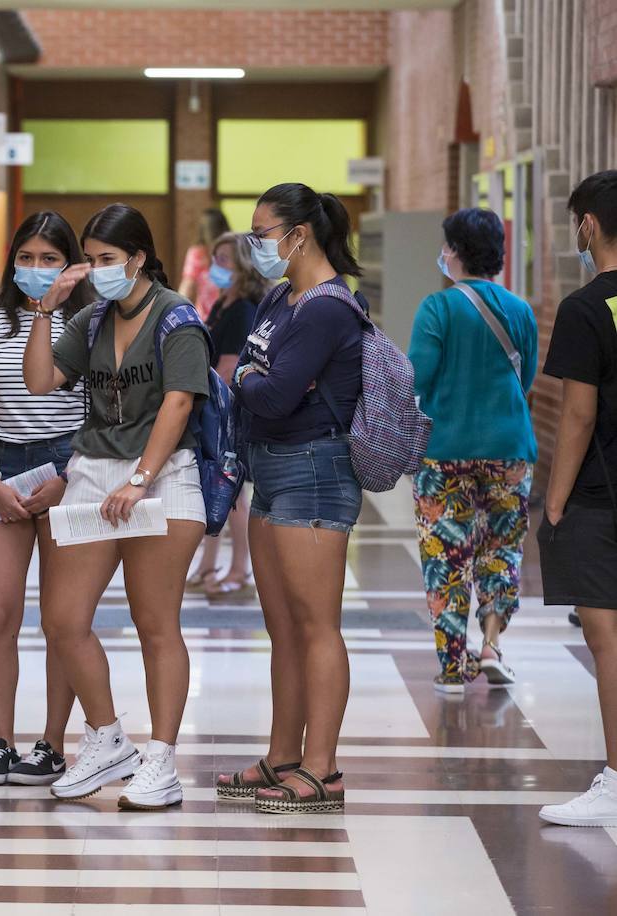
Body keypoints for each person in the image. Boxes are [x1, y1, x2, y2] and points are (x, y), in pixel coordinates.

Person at [23, 203, 210, 808]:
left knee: (156, 624)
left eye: (109, 260)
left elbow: (179, 403)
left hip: (165, 474)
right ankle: (107, 739)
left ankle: (162, 758)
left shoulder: (177, 317)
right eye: (92, 259)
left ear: (138, 258)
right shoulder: (94, 318)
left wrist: (141, 477)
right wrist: (46, 312)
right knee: (62, 618)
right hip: (93, 472)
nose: (98, 270)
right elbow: (40, 382)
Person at [216, 183, 364, 814]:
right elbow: (263, 382)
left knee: (315, 625)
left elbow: (270, 391)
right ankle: (283, 756)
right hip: (271, 467)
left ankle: (322, 768)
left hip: (315, 468)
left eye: (263, 232)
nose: (257, 245)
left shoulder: (329, 308)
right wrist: (257, 379)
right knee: (282, 629)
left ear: (298, 235)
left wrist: (248, 377)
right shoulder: (281, 297)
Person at [0, 212, 89, 785]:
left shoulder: (89, 320)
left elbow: (98, 410)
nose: (36, 270)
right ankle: (0, 742)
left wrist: (68, 475)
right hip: (6, 468)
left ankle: (52, 743)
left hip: (68, 467)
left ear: (71, 265)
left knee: (61, 619)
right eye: (26, 258)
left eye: (49, 259)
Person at [408, 208, 538, 694]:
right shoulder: (520, 310)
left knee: (447, 556)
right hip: (509, 449)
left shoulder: (437, 309)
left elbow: (415, 379)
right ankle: (490, 646)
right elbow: (525, 380)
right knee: (500, 551)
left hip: (445, 451)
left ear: (455, 251)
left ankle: (452, 668)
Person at [538, 170, 617, 828]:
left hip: (600, 496)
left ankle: (616, 782)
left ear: (589, 224)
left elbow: (579, 415)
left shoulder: (588, 307)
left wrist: (555, 503)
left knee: (608, 638)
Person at [189, 231, 265, 598]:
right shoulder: (223, 303)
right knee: (215, 490)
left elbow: (227, 372)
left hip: (229, 414)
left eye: (224, 260)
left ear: (243, 265)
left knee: (232, 493)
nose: (216, 267)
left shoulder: (243, 310)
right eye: (214, 258)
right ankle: (208, 564)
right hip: (215, 413)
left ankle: (239, 569)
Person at [177, 207, 231, 321]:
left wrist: (177, 314)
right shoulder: (233, 250)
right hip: (230, 315)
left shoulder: (197, 253)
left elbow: (186, 289)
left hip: (205, 319)